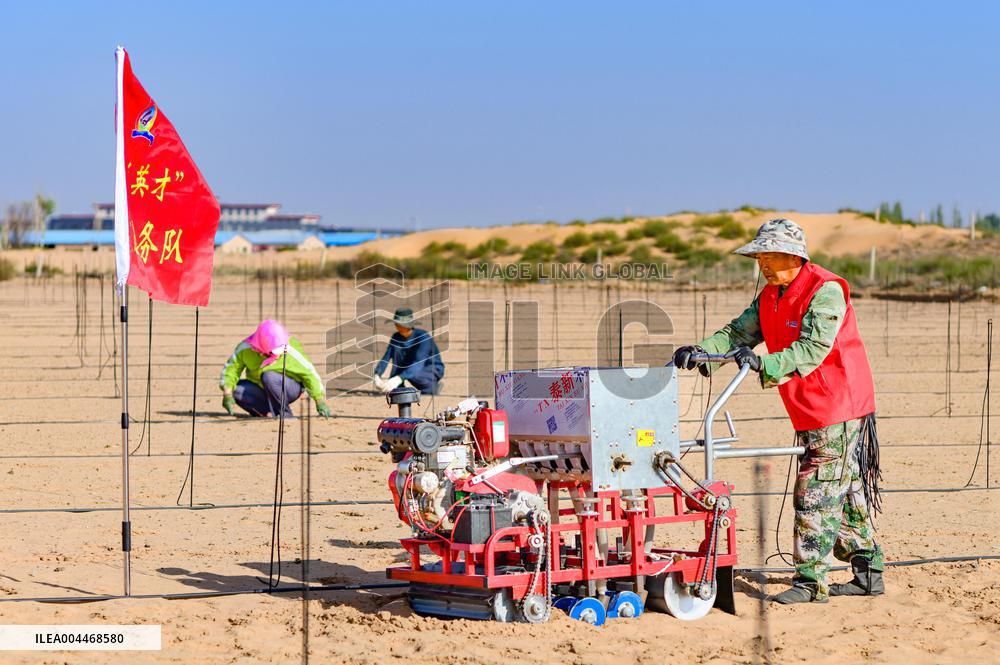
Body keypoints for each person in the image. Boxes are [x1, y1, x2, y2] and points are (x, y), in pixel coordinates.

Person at [672, 218, 884, 604]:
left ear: (794, 255)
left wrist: (761, 363)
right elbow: (738, 333)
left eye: (770, 256)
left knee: (817, 489)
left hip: (838, 402)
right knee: (845, 486)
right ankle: (868, 571)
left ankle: (810, 582)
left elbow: (813, 349)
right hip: (807, 404)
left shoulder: (825, 290)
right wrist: (701, 352)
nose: (764, 266)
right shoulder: (769, 296)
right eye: (759, 258)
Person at [220, 319, 331, 418]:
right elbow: (232, 370)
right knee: (237, 390)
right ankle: (266, 412)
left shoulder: (289, 347)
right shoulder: (245, 348)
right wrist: (227, 394)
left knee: (269, 376)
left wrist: (319, 400)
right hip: (261, 388)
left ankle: (285, 415)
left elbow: (309, 373)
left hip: (288, 387)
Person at [372, 307, 444, 395]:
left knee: (416, 375)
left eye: (400, 324)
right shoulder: (396, 337)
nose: (397, 327)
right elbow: (387, 356)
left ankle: (431, 388)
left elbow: (418, 363)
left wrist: (399, 378)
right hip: (409, 368)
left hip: (429, 368)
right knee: (397, 350)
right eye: (396, 324)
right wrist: (377, 374)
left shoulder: (423, 337)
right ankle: (399, 387)